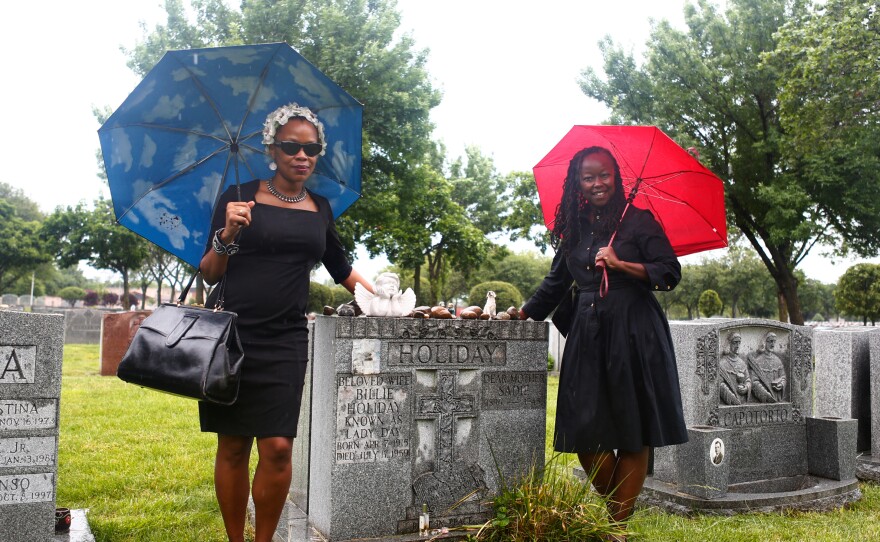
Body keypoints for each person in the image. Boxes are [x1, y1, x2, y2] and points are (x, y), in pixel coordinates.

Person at [199, 102, 373, 542]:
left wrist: (387, 301)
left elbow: (341, 268)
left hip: (286, 338)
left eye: (311, 148)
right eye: (292, 146)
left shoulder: (320, 207)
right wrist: (228, 233)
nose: (303, 155)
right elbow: (210, 271)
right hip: (233, 338)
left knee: (277, 448)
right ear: (272, 150)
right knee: (234, 444)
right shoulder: (237, 196)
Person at [519, 146, 687, 537]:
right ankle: (617, 513)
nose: (597, 183)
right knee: (584, 431)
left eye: (604, 175)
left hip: (635, 331)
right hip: (588, 331)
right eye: (588, 177)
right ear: (577, 182)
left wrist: (621, 263)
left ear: (617, 177)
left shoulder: (640, 222)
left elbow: (669, 273)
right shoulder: (573, 230)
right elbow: (555, 285)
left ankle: (616, 528)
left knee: (633, 428)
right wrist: (521, 313)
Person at [747, 331, 786, 403]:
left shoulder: (777, 360)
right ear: (765, 342)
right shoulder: (758, 361)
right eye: (770, 341)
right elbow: (754, 382)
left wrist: (781, 384)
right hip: (764, 398)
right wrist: (766, 395)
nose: (773, 344)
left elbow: (783, 377)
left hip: (777, 397)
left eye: (774, 341)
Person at [719, 332, 751, 405]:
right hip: (731, 401)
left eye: (739, 343)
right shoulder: (722, 363)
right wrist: (733, 398)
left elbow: (748, 380)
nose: (737, 346)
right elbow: (720, 384)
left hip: (743, 401)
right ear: (729, 344)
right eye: (735, 343)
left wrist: (746, 388)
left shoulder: (742, 363)